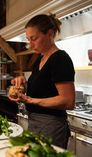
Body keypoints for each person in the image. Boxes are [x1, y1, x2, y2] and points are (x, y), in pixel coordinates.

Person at [8, 14, 75, 148]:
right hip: (35, 121)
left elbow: (68, 101)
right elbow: (42, 89)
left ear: (49, 34)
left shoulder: (60, 58)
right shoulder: (40, 59)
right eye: (28, 39)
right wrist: (23, 83)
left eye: (34, 39)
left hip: (51, 125)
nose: (30, 44)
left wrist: (32, 100)